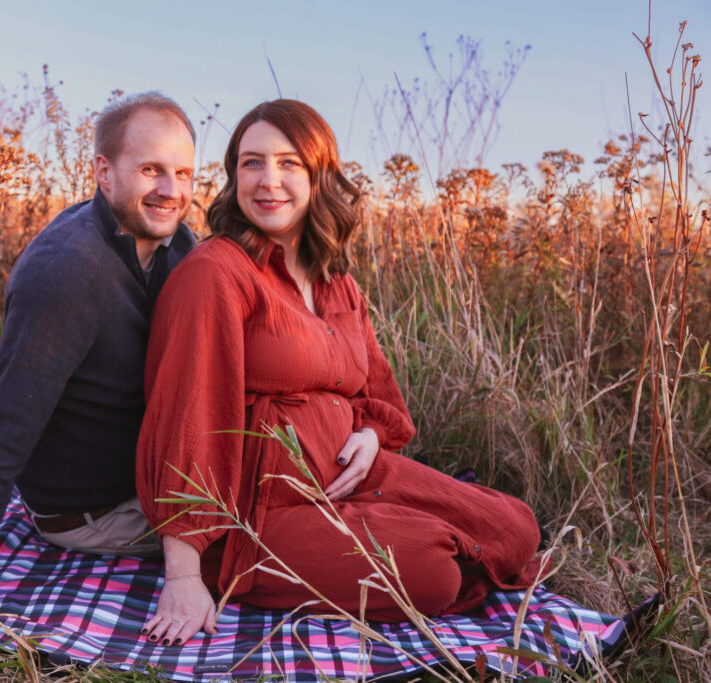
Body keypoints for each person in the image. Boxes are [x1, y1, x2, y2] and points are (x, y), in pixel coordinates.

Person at [137, 99, 543, 646]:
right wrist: (183, 575)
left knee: (516, 528)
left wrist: (374, 436)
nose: (268, 181)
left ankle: (430, 540)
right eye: (252, 162)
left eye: (289, 164)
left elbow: (379, 391)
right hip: (262, 510)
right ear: (233, 176)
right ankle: (419, 552)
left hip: (353, 475)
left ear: (319, 175)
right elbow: (190, 417)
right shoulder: (215, 273)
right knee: (431, 573)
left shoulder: (335, 280)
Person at [0, 93, 197, 608]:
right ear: (104, 171)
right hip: (99, 509)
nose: (170, 190)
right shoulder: (67, 273)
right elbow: (5, 422)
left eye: (183, 174)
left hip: (153, 472)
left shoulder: (177, 245)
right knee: (269, 536)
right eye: (151, 169)